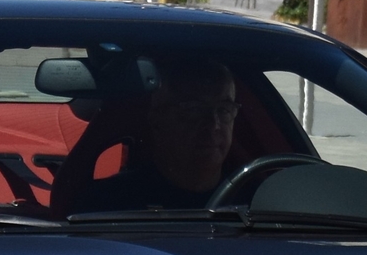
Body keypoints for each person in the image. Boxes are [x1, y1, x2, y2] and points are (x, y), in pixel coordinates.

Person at [75, 55, 244, 211]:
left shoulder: (256, 201)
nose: (213, 125)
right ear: (157, 119)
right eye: (194, 110)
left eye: (224, 110)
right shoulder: (108, 203)